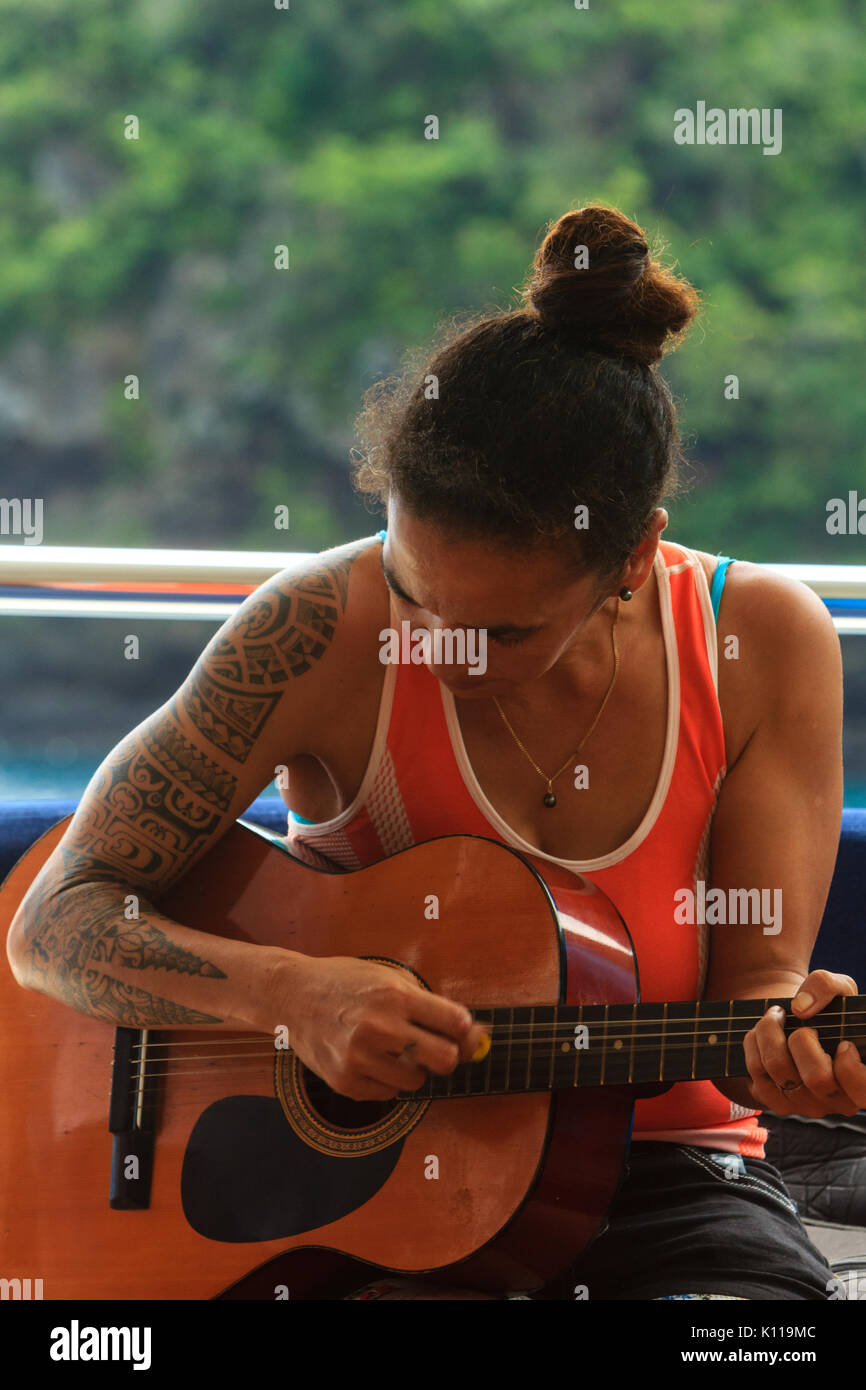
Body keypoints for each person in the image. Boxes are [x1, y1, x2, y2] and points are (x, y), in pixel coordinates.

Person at [8, 204, 864, 1301]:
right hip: (364, 1207)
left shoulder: (762, 643)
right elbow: (55, 917)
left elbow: (758, 992)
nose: (432, 643)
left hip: (668, 1180)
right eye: (410, 593)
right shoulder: (310, 629)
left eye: (501, 630)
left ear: (632, 559)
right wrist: (291, 994)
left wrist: (795, 1063)